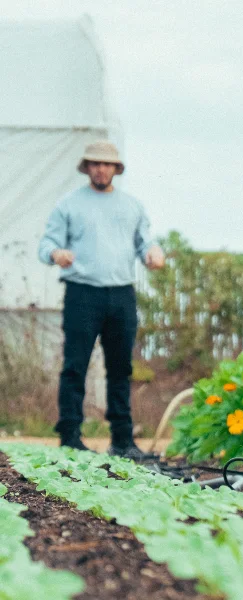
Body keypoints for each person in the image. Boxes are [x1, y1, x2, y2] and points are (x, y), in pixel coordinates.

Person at [38, 140, 165, 458]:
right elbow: (47, 244)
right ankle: (70, 437)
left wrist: (152, 252)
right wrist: (57, 252)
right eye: (95, 163)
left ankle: (122, 441)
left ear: (116, 169)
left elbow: (144, 241)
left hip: (121, 295)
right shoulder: (69, 204)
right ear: (87, 168)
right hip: (82, 293)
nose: (101, 168)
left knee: (120, 368)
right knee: (74, 366)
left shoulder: (132, 206)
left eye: (106, 164)